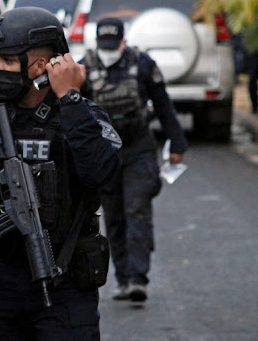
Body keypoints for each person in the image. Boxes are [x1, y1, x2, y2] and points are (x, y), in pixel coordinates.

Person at [0, 7, 123, 339]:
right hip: (0, 291)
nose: (0, 69)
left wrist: (71, 99)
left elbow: (106, 177)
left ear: (42, 66)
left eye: (9, 60)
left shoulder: (81, 117)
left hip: (65, 285)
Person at [80, 17, 187, 302]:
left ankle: (138, 278)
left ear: (124, 42)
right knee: (114, 217)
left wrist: (177, 142)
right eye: (104, 45)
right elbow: (73, 113)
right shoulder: (85, 67)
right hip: (106, 154)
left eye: (113, 45)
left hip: (139, 148)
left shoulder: (143, 65)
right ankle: (123, 277)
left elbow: (163, 104)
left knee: (137, 210)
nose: (108, 50)